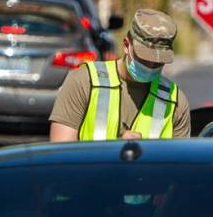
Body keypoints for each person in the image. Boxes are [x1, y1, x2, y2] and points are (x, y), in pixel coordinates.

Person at [49, 9, 191, 141]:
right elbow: (61, 156)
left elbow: (178, 164)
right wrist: (117, 152)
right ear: (126, 45)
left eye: (159, 61)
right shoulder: (83, 81)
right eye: (145, 58)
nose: (151, 66)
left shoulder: (175, 101)